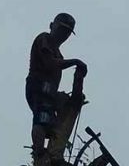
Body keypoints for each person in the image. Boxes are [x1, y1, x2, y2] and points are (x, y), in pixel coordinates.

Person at [25, 12, 87, 156]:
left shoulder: (58, 53)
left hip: (49, 91)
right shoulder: (44, 39)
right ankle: (39, 152)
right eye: (61, 30)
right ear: (52, 26)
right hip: (39, 87)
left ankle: (53, 148)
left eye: (67, 32)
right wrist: (75, 62)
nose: (64, 35)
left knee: (58, 110)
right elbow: (50, 64)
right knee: (42, 116)